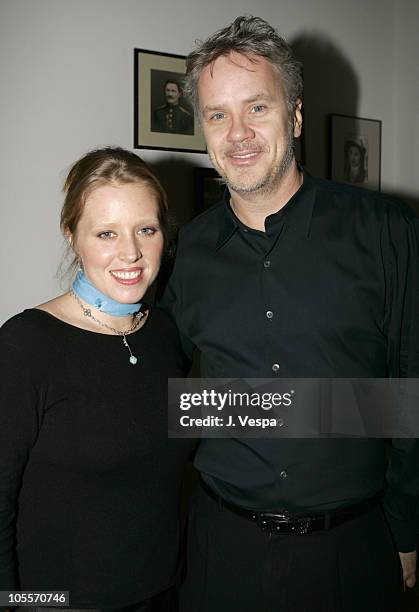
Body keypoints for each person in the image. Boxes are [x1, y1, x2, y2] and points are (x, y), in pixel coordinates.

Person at [160, 16, 419, 612]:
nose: (238, 133)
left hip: (353, 552)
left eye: (257, 107)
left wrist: (407, 528)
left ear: (295, 116)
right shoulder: (185, 253)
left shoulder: (388, 233)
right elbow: (151, 385)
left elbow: (410, 392)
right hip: (220, 552)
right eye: (218, 114)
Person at [0, 147, 194, 611]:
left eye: (145, 229)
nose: (130, 252)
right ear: (72, 237)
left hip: (164, 594)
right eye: (106, 233)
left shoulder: (165, 333)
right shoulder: (26, 345)